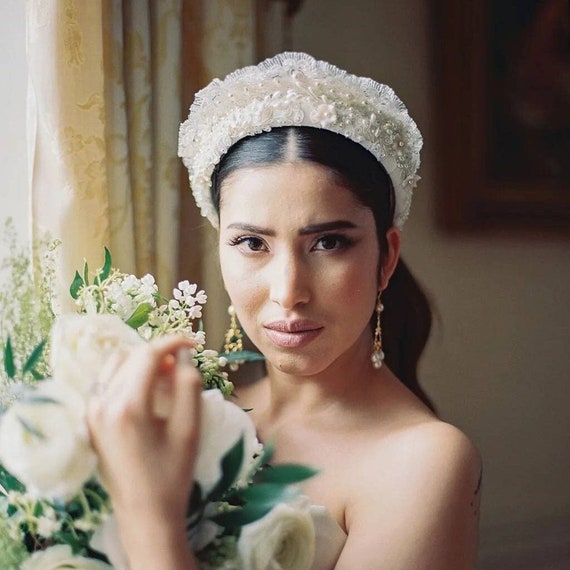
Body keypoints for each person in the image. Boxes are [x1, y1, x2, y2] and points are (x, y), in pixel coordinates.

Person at [87, 52, 482, 569]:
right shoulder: (197, 401)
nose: (288, 291)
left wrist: (147, 515)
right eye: (252, 242)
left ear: (386, 258)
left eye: (329, 243)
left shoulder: (426, 462)